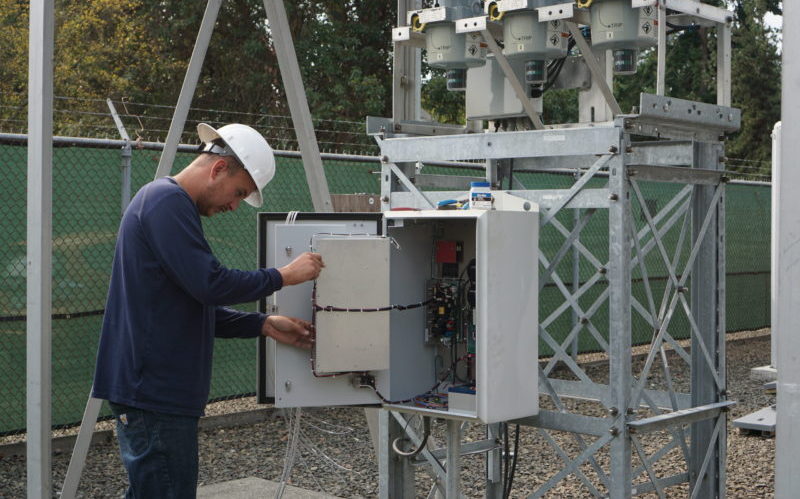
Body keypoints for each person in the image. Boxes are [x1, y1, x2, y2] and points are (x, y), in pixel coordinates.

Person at [92, 123, 323, 498]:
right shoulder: (166, 203)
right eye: (238, 193)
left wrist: (263, 324)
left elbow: (191, 307)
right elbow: (211, 284)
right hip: (153, 392)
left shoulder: (165, 204)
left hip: (153, 391)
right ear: (218, 169)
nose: (233, 206)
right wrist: (284, 275)